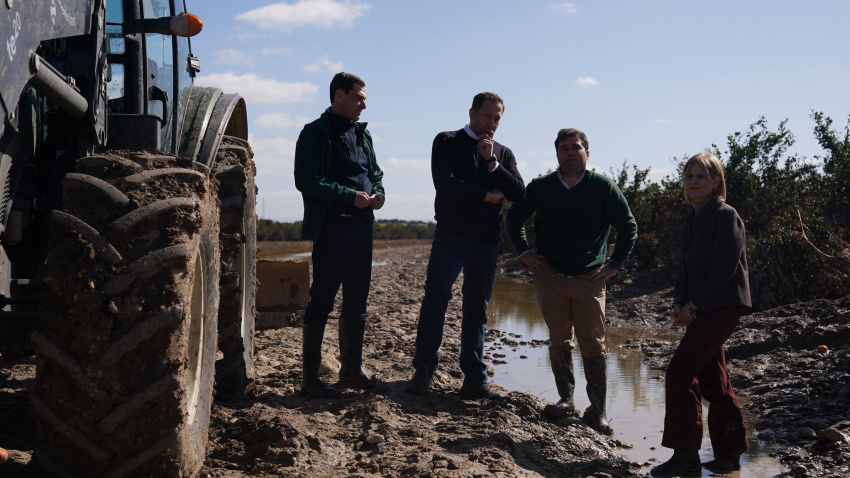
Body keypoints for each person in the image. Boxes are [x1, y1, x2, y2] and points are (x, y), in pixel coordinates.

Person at [505, 128, 637, 435]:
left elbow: (628, 225)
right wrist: (525, 252)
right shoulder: (541, 186)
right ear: (557, 154)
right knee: (559, 340)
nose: (570, 152)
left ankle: (598, 411)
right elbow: (514, 217)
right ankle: (566, 400)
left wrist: (614, 265)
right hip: (549, 277)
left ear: (587, 153)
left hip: (589, 279)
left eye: (575, 147)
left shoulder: (602, 186)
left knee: (593, 344)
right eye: (563, 148)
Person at [406, 92, 525, 400]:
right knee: (436, 295)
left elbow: (518, 192)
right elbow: (445, 184)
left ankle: (474, 376)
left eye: (498, 118)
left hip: (486, 241)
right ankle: (424, 368)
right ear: (472, 112)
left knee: (477, 308)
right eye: (488, 116)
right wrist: (486, 195)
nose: (492, 123)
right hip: (451, 235)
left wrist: (491, 162)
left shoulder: (503, 153)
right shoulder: (446, 141)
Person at [651, 153, 750, 477]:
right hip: (702, 308)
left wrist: (693, 306)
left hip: (722, 308)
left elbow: (724, 268)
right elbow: (686, 270)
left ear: (716, 182)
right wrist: (681, 303)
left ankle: (686, 459)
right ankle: (729, 456)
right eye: (689, 176)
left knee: (679, 374)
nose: (693, 181)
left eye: (701, 176)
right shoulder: (694, 217)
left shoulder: (726, 216)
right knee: (714, 381)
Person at [293, 72, 385, 397]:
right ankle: (310, 379)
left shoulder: (363, 134)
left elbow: (373, 173)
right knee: (322, 300)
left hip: (364, 227)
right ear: (338, 96)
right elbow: (306, 180)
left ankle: (351, 370)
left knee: (357, 299)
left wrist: (379, 193)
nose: (364, 103)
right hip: (332, 226)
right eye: (359, 97)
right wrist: (350, 196)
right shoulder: (314, 133)